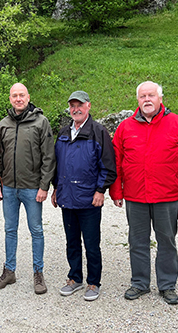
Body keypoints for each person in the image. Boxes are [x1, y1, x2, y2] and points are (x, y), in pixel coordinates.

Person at [110, 81, 178, 305]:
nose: (147, 100)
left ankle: (167, 284)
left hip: (167, 196)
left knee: (166, 241)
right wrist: (116, 191)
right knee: (137, 241)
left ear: (160, 98)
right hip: (135, 195)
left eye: (151, 95)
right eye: (142, 96)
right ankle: (139, 283)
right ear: (137, 100)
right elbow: (116, 161)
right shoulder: (125, 127)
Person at [0, 82, 56, 294]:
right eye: (14, 96)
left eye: (22, 95)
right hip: (8, 187)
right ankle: (9, 271)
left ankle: (38, 273)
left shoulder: (41, 122)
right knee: (10, 230)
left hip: (32, 188)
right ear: (10, 99)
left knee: (36, 230)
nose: (18, 99)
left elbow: (49, 156)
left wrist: (44, 185)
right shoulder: (4, 124)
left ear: (28, 97)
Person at [51, 91, 116, 301]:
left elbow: (107, 165)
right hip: (67, 198)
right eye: (72, 105)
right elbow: (56, 164)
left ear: (88, 106)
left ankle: (93, 282)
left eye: (80, 105)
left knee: (91, 244)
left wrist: (100, 190)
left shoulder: (98, 132)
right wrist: (55, 188)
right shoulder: (62, 133)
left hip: (89, 199)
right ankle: (75, 278)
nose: (75, 109)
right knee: (71, 242)